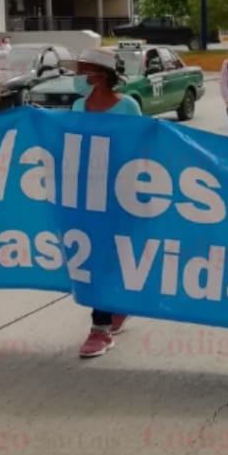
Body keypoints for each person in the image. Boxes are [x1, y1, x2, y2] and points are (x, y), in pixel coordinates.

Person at [72, 49, 140, 358]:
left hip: (119, 195)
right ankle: (106, 316)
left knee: (111, 256)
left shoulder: (127, 107)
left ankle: (103, 324)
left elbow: (142, 148)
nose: (78, 77)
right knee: (91, 258)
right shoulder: (76, 106)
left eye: (83, 70)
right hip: (85, 196)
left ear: (100, 75)